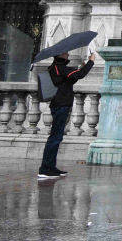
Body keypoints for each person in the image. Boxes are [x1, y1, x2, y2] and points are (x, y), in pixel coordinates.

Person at [38, 51, 97, 179]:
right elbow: (79, 75)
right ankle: (45, 168)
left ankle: (50, 167)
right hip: (61, 105)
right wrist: (91, 61)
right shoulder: (60, 68)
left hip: (59, 104)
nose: (68, 54)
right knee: (55, 138)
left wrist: (83, 66)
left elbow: (69, 80)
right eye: (65, 53)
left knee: (56, 137)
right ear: (60, 55)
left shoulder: (55, 68)